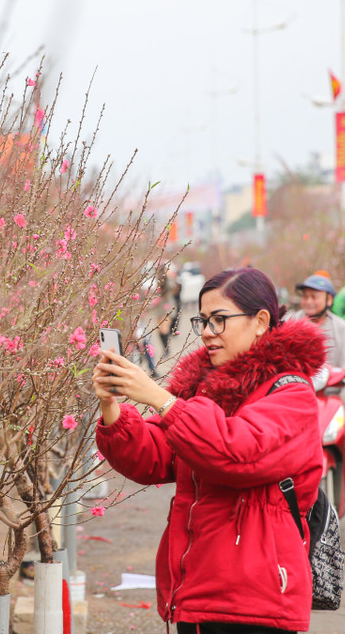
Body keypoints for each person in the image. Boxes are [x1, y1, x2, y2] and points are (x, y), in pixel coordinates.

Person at [92, 268, 326, 633]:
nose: (206, 332)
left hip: (255, 599)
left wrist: (160, 398)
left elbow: (236, 454)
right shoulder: (204, 389)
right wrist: (112, 406)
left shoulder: (291, 393)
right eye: (204, 320)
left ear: (261, 321)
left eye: (219, 320)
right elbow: (153, 457)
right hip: (199, 591)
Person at [287, 274, 345, 501]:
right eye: (305, 296)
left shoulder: (341, 328)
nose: (309, 301)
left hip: (329, 397)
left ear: (329, 299)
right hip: (294, 396)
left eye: (315, 296)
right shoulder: (291, 323)